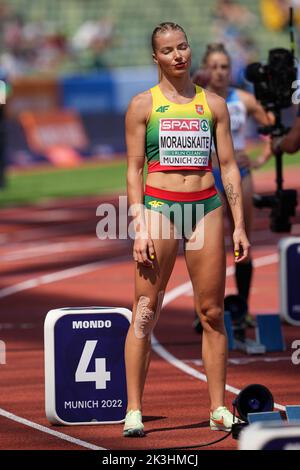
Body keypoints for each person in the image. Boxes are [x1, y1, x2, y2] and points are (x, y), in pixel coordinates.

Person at [124, 23, 249, 438]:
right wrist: (139, 227)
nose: (178, 55)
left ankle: (217, 407)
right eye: (167, 50)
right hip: (160, 206)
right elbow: (133, 170)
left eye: (182, 47)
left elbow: (228, 165)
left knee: (212, 312)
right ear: (155, 57)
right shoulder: (143, 105)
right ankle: (135, 410)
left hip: (206, 207)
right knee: (145, 311)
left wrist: (240, 226)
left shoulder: (213, 104)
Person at [193, 43, 273, 322]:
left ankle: (244, 308)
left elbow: (272, 126)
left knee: (242, 239)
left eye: (224, 67)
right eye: (213, 67)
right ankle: (203, 309)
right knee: (206, 245)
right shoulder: (195, 98)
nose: (219, 72)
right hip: (206, 175)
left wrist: (261, 156)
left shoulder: (243, 99)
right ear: (206, 68)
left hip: (239, 172)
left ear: (231, 70)